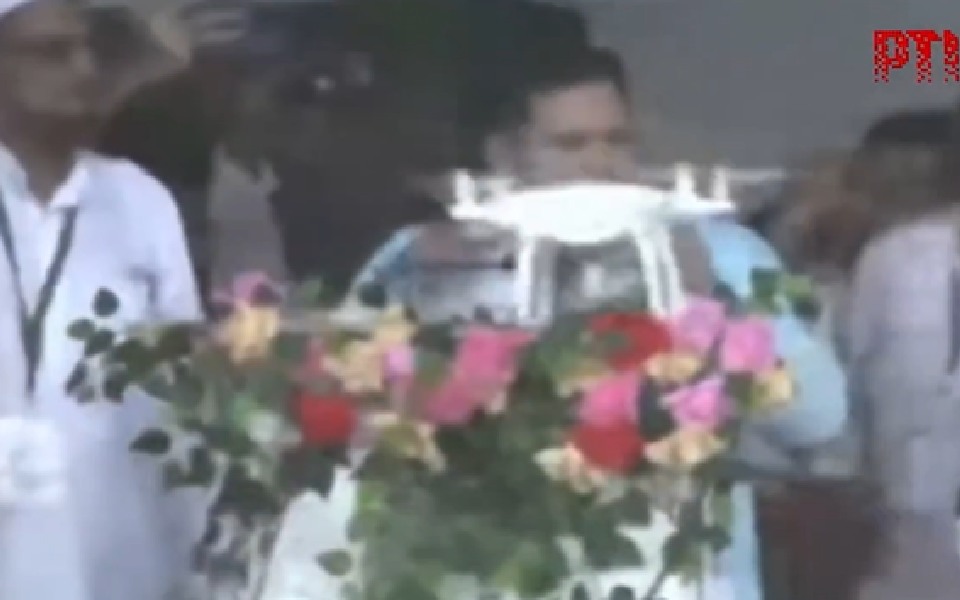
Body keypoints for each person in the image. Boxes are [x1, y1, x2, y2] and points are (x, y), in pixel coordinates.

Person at [352, 46, 848, 599]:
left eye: (617, 140)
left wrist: (715, 304)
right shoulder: (426, 257)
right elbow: (346, 413)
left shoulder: (719, 248)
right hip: (487, 573)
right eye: (571, 144)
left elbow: (820, 420)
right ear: (505, 154)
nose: (601, 162)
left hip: (677, 577)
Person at [0, 1, 204, 599]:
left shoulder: (139, 200)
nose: (84, 68)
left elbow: (187, 390)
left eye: (91, 50)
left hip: (123, 552)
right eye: (52, 52)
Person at [837, 106, 960, 599]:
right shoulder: (893, 255)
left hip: (915, 486)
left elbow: (853, 363)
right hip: (914, 489)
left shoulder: (891, 255)